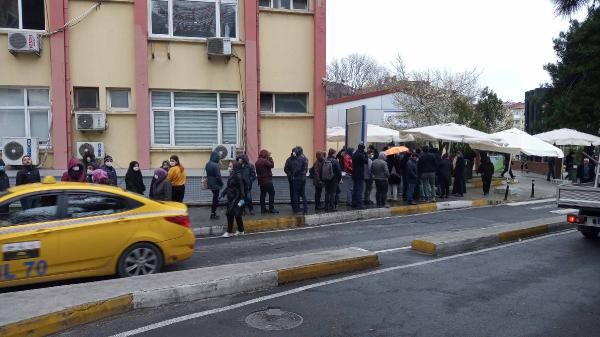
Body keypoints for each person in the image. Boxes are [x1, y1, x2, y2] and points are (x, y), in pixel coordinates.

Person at [221, 162, 245, 238]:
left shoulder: (238, 176)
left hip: (237, 199)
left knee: (230, 214)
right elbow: (229, 186)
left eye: (231, 166)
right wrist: (223, 193)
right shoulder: (232, 175)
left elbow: (242, 189)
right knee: (237, 215)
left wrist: (240, 201)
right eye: (229, 166)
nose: (229, 167)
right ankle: (241, 230)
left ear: (235, 167)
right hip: (231, 198)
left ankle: (229, 231)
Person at [255, 150, 278, 214]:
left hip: (261, 181)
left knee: (263, 195)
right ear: (265, 154)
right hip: (267, 181)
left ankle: (263, 209)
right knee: (272, 193)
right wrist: (270, 158)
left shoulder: (257, 162)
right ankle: (271, 209)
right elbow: (272, 165)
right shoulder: (265, 161)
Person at [205, 151, 224, 219]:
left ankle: (213, 212)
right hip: (215, 183)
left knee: (214, 197)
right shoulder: (215, 165)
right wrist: (221, 183)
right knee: (215, 198)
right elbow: (218, 176)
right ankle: (213, 213)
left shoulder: (207, 164)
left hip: (210, 182)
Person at [290, 146, 309, 214]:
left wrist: (294, 175)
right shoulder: (305, 158)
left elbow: (297, 169)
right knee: (303, 194)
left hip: (297, 178)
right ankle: (306, 208)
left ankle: (296, 209)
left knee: (295, 193)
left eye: (295, 151)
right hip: (303, 178)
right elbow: (306, 169)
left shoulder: (297, 159)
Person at [351, 143, 367, 209]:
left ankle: (354, 203)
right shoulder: (361, 155)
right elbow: (366, 161)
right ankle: (359, 204)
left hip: (354, 174)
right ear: (363, 148)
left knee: (355, 189)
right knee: (359, 189)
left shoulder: (354, 154)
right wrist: (366, 155)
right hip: (360, 174)